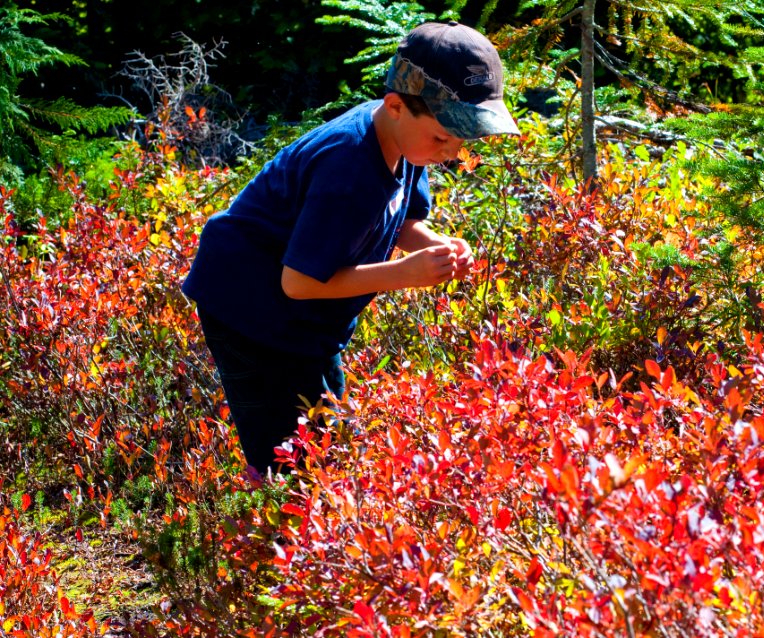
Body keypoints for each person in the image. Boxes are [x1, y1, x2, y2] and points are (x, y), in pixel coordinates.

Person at [181, 21, 519, 474]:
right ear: (396, 105)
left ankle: (304, 527)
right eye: (443, 137)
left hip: (306, 317)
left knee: (328, 438)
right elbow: (299, 283)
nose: (452, 152)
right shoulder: (349, 168)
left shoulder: (404, 142)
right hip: (248, 308)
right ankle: (259, 534)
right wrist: (405, 274)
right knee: (285, 452)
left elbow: (402, 221)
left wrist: (436, 247)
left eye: (463, 138)